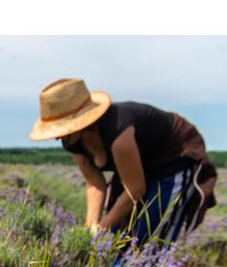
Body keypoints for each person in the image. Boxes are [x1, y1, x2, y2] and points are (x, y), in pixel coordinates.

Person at [29, 78, 217, 251]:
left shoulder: (118, 130)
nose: (56, 136)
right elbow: (94, 182)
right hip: (140, 163)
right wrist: (91, 225)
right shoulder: (71, 140)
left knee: (148, 238)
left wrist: (103, 227)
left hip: (173, 158)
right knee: (117, 235)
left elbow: (135, 190)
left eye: (61, 128)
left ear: (81, 123)